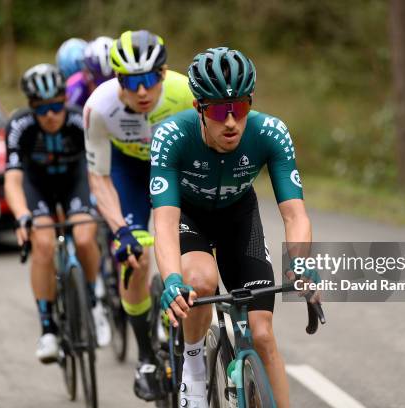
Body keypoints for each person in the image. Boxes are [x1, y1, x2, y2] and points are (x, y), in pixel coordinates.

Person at [151, 47, 315, 408]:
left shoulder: (270, 132)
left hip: (239, 218)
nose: (230, 122)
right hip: (189, 219)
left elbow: (295, 214)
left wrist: (301, 263)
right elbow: (163, 222)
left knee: (262, 335)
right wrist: (172, 279)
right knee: (200, 281)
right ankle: (193, 368)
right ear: (199, 108)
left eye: (239, 108)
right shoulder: (171, 136)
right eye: (218, 110)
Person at [83, 29, 194, 401]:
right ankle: (146, 355)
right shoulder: (100, 107)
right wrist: (120, 230)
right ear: (117, 80)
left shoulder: (186, 93)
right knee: (135, 256)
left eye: (149, 79)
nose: (142, 91)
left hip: (177, 169)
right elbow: (98, 179)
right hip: (128, 173)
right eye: (131, 82)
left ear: (163, 74)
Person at [4, 63, 111, 364]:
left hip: (74, 183)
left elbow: (98, 170)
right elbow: (12, 179)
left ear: (65, 99)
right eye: (41, 108)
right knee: (44, 243)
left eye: (56, 106)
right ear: (31, 107)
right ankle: (48, 328)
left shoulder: (80, 121)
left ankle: (92, 302)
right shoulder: (19, 126)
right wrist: (22, 214)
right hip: (37, 187)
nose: (50, 114)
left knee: (85, 235)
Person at [66, 36, 115, 109]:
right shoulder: (75, 87)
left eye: (111, 80)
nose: (105, 89)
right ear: (85, 74)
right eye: (98, 81)